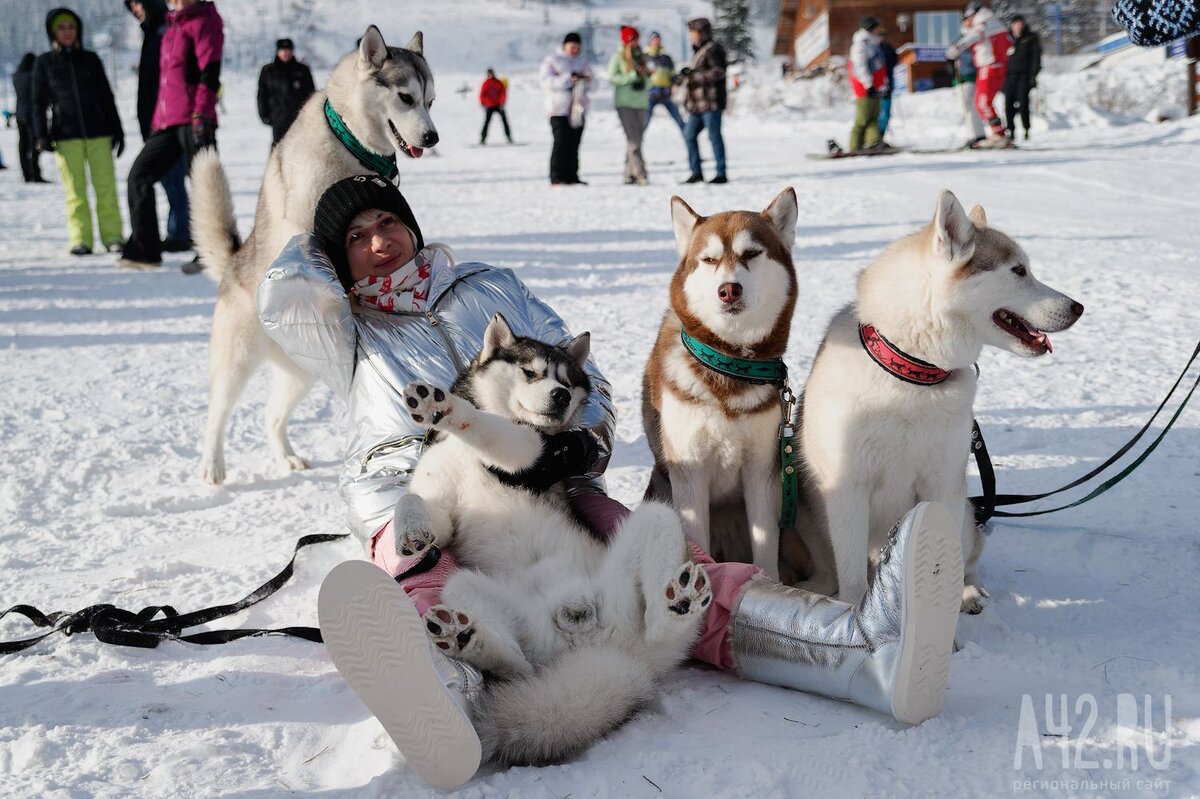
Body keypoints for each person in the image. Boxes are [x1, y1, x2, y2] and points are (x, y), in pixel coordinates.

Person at [262, 175, 963, 789]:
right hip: (409, 484)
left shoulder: (487, 286)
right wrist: (318, 225)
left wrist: (571, 447)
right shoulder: (343, 325)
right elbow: (276, 297)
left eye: (388, 222)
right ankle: (445, 698)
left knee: (671, 566)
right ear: (335, 259)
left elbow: (583, 377)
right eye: (357, 237)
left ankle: (857, 648)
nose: (380, 241)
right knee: (424, 575)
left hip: (540, 475)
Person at [118, 0, 223, 272]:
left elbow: (209, 72)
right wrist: (156, 120)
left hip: (194, 118)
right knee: (138, 177)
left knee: (204, 183)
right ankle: (145, 250)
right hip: (165, 123)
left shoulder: (204, 20)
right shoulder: (171, 27)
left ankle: (213, 251)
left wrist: (201, 114)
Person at [32, 8, 125, 256]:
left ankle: (113, 236)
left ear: (78, 31)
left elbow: (106, 97)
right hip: (66, 135)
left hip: (98, 133)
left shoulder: (90, 60)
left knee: (106, 188)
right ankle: (80, 239)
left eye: (71, 27)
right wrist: (41, 134)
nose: (67, 32)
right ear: (53, 32)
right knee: (75, 192)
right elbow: (38, 102)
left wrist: (118, 130)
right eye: (61, 28)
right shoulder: (45, 63)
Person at [125, 0, 191, 254]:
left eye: (138, 4)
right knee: (168, 179)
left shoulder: (165, 31)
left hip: (169, 120)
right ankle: (179, 231)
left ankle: (180, 233)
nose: (135, 11)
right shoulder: (154, 32)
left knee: (172, 179)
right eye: (131, 7)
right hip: (158, 120)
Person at [946, 0, 1011, 143]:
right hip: (997, 65)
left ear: (974, 14)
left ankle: (998, 134)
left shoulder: (983, 23)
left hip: (989, 66)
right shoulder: (995, 22)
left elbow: (973, 36)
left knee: (982, 103)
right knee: (984, 102)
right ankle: (998, 132)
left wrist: (956, 48)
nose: (968, 21)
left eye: (968, 18)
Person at [678, 17, 728, 184]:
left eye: (693, 32)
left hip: (711, 103)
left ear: (703, 33)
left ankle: (721, 172)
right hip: (697, 105)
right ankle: (696, 171)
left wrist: (694, 75)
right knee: (688, 135)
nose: (691, 36)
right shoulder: (698, 50)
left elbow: (718, 72)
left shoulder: (713, 49)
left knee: (714, 136)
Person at [539, 32, 591, 185]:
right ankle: (556, 176)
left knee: (574, 143)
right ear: (565, 46)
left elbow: (594, 84)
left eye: (577, 47)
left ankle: (572, 175)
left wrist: (585, 79)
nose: (574, 50)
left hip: (578, 109)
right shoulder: (553, 60)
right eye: (572, 46)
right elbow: (545, 81)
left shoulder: (582, 62)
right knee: (560, 142)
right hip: (558, 108)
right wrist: (568, 79)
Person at [607, 25, 649, 185]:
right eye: (632, 39)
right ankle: (640, 174)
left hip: (641, 102)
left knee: (637, 140)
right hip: (625, 103)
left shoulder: (642, 57)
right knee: (633, 140)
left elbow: (648, 82)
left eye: (636, 39)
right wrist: (632, 76)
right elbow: (612, 77)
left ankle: (628, 174)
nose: (635, 42)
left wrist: (647, 78)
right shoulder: (618, 57)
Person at [257, 37, 316, 147]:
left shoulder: (302, 70)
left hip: (299, 119)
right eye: (283, 50)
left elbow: (311, 95)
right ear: (278, 51)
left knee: (300, 149)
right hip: (278, 118)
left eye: (288, 50)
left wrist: (311, 114)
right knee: (278, 150)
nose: (286, 53)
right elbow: (262, 95)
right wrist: (263, 114)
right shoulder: (268, 71)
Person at [848, 17, 887, 152]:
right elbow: (860, 67)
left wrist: (882, 85)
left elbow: (878, 66)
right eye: (877, 27)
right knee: (863, 118)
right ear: (870, 28)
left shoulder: (872, 44)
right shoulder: (860, 45)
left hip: (874, 87)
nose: (879, 30)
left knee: (873, 118)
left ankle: (873, 142)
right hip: (864, 88)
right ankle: (854, 147)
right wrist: (868, 85)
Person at [1003, 15, 1041, 141]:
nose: (1018, 26)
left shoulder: (1030, 38)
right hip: (1009, 76)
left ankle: (1026, 129)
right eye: (1016, 24)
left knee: (1023, 104)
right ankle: (1011, 130)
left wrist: (1033, 75)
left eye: (1020, 24)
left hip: (1024, 76)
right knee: (1008, 104)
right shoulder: (1006, 39)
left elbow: (1036, 58)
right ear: (1012, 25)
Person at [12, 53, 47, 183]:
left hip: (19, 113)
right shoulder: (33, 76)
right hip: (32, 113)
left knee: (22, 144)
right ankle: (35, 173)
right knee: (34, 144)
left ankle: (26, 174)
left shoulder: (16, 76)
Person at [642, 31, 685, 134]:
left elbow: (673, 76)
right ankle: (636, 142)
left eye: (658, 39)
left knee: (678, 118)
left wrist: (680, 78)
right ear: (650, 41)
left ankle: (688, 137)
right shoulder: (644, 58)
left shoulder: (666, 59)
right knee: (645, 121)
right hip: (650, 94)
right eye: (654, 39)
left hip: (665, 94)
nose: (656, 41)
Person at [478, 68, 513, 145]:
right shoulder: (485, 84)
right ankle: (482, 138)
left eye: (491, 73)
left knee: (505, 121)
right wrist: (482, 102)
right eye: (489, 74)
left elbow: (503, 93)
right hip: (489, 106)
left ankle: (509, 137)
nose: (490, 75)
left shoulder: (498, 83)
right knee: (486, 122)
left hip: (498, 105)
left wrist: (502, 103)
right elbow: (482, 94)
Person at [877, 30, 899, 140]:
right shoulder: (873, 49)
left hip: (887, 85)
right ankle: (876, 137)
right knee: (878, 113)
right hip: (877, 87)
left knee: (886, 112)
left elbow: (895, 61)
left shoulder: (887, 48)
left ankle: (880, 136)